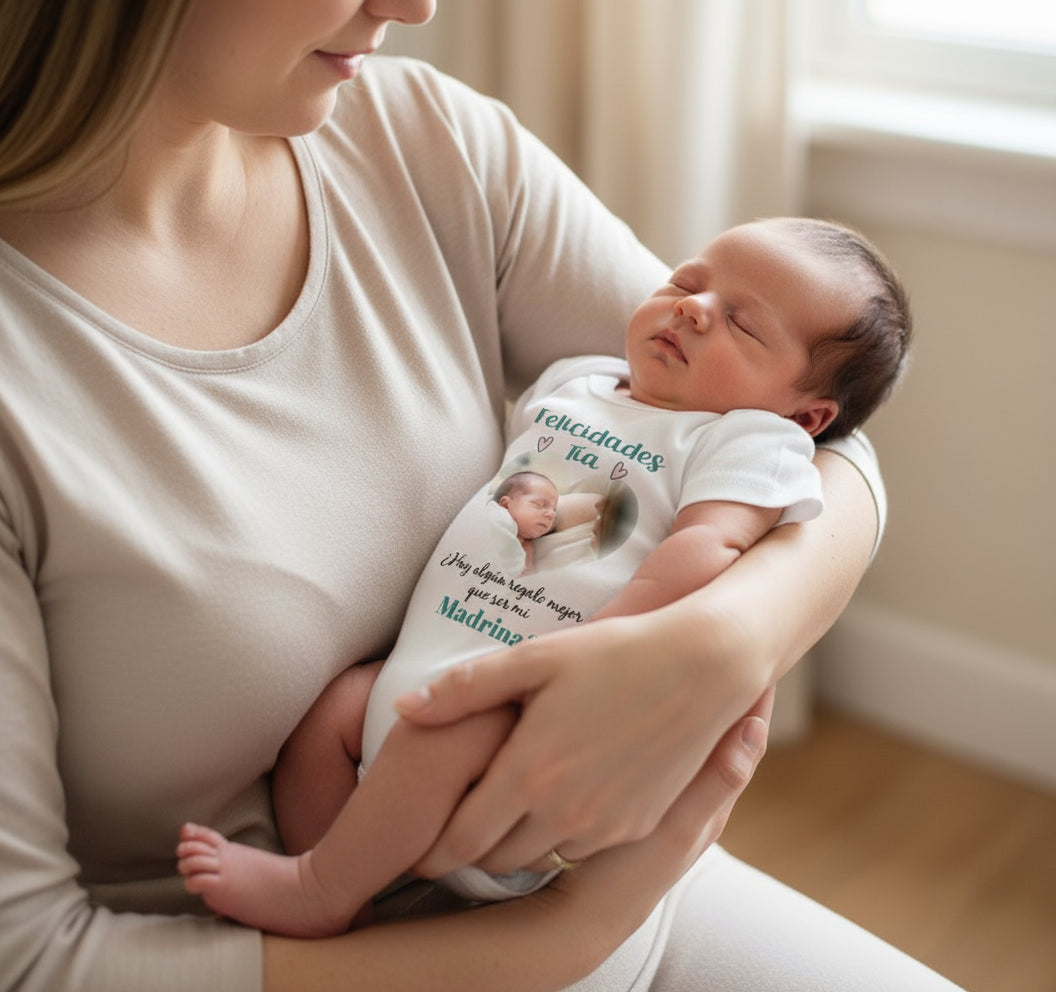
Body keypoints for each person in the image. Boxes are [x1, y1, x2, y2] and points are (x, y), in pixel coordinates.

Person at [0, 2, 966, 990]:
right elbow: (29, 959)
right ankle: (329, 878)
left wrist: (720, 641)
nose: (417, 6)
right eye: (690, 280)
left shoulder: (426, 141)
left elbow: (830, 449)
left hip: (615, 898)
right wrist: (562, 939)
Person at [176, 214, 911, 937]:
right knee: (334, 716)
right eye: (687, 281)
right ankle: (346, 885)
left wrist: (611, 647)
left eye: (743, 326)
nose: (692, 306)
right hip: (431, 659)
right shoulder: (580, 381)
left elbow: (709, 547)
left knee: (443, 737)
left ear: (807, 415)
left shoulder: (746, 440)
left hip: (538, 722)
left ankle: (318, 889)